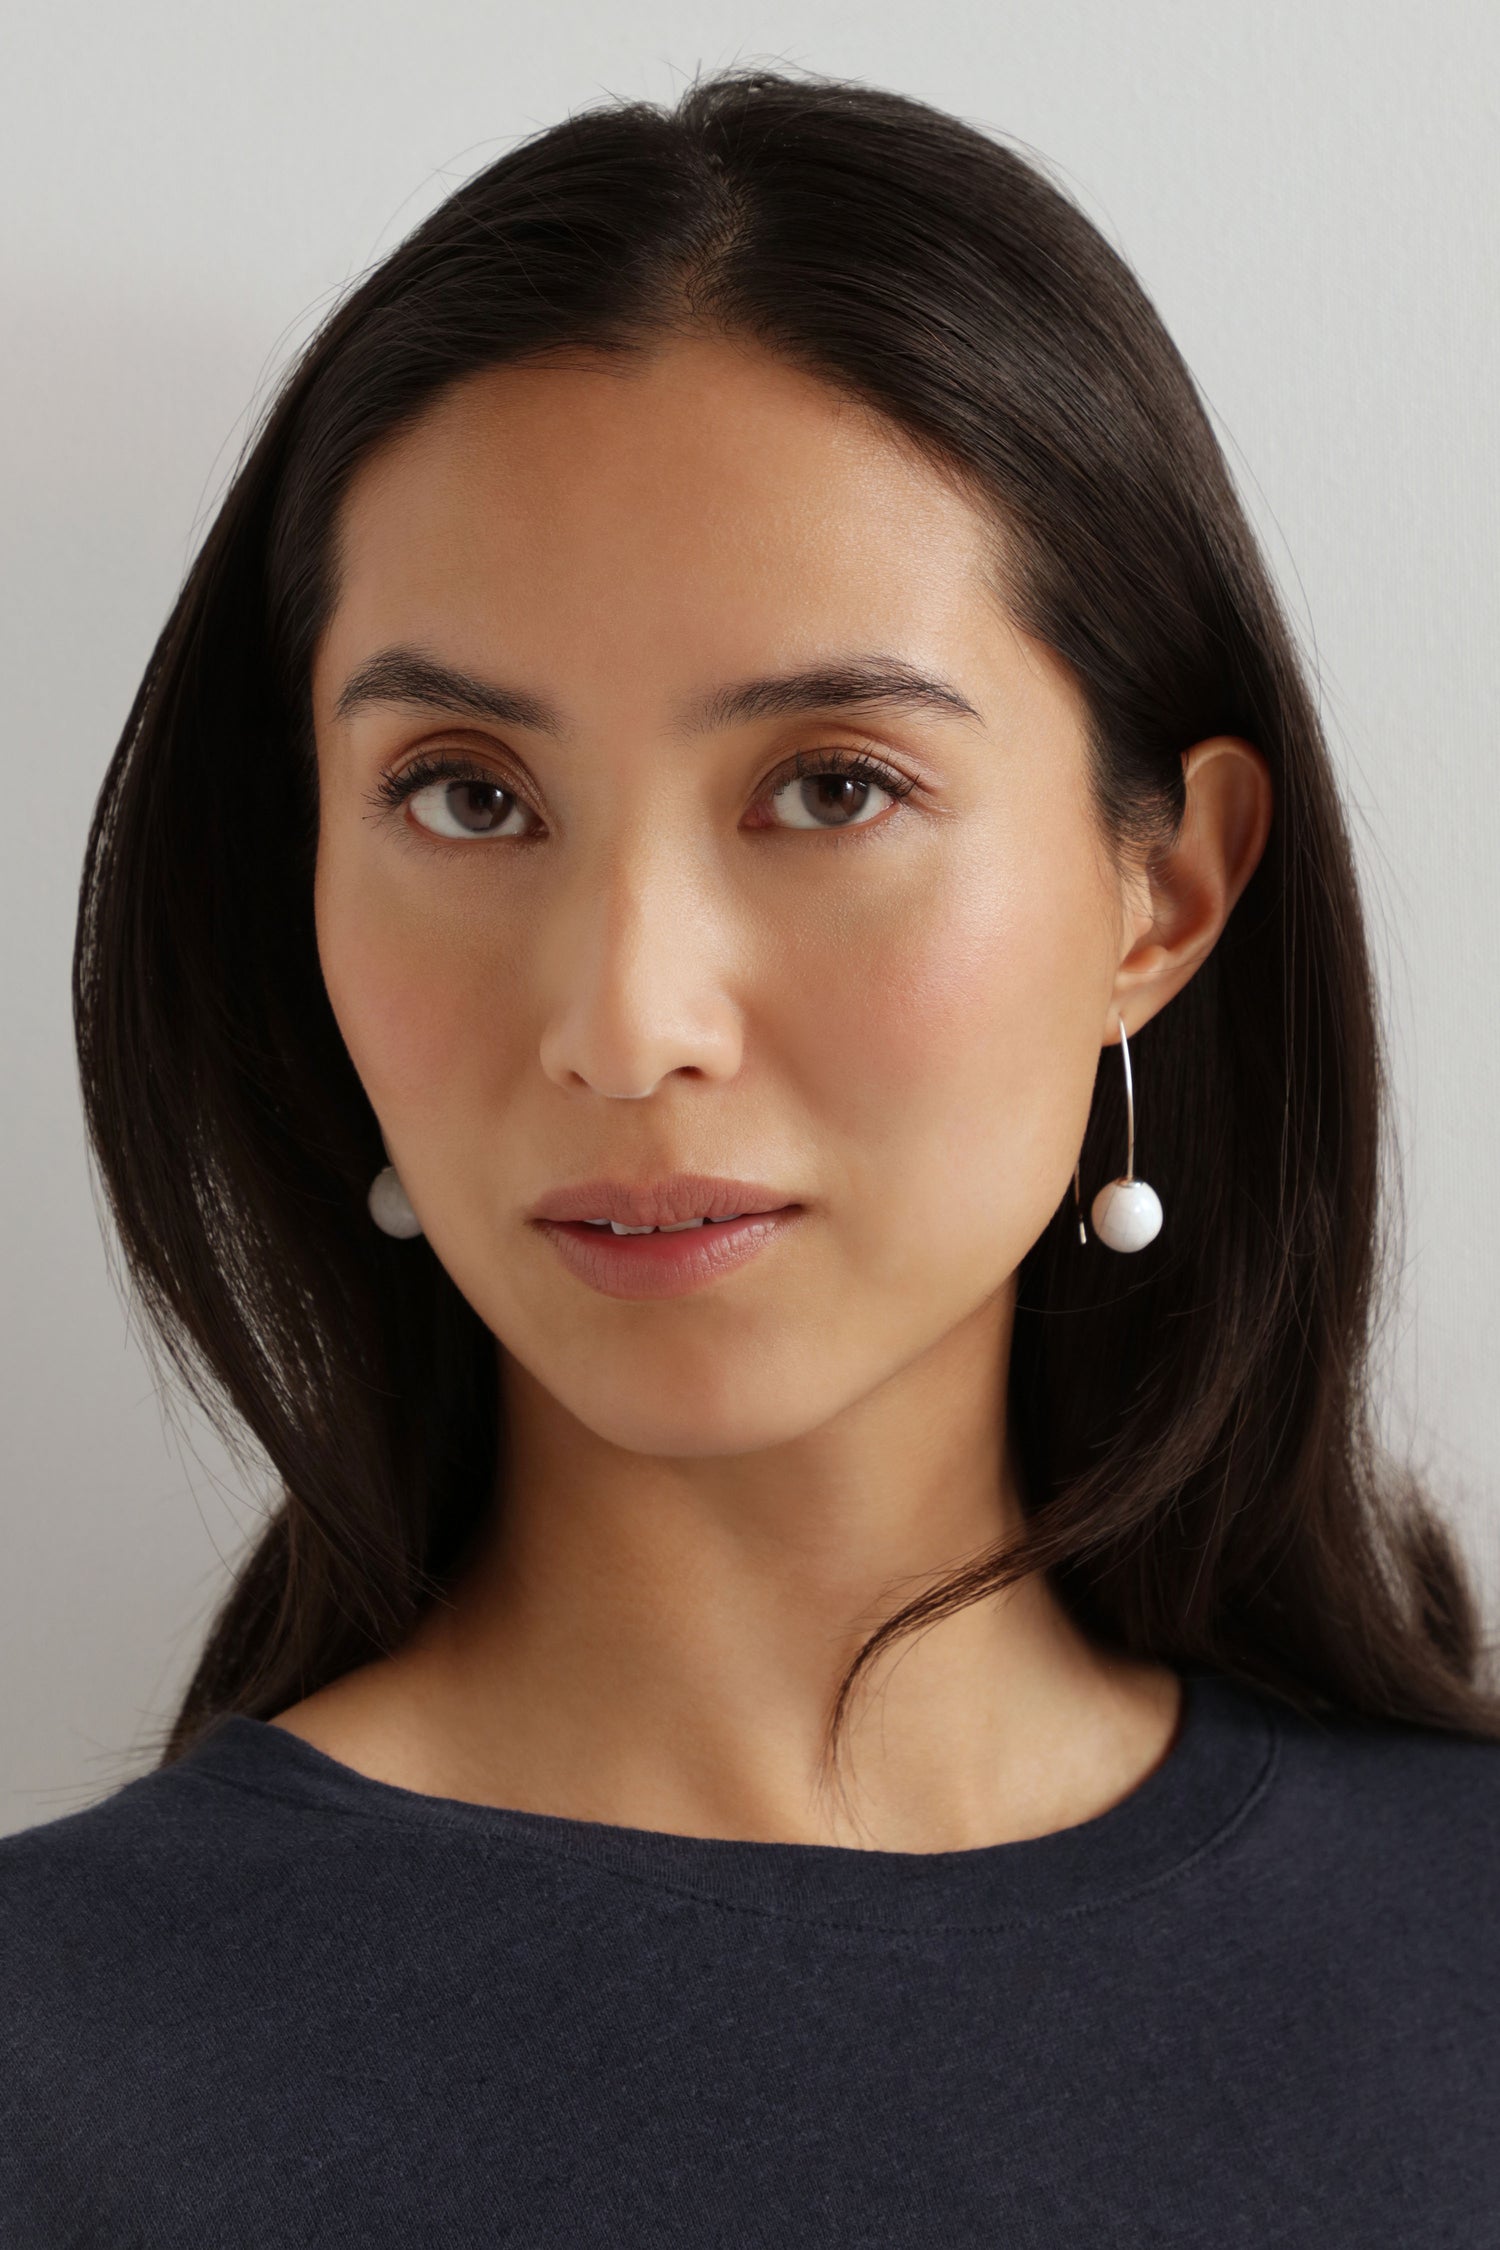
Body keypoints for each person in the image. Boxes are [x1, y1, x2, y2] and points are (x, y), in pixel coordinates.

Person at [4, 64, 1497, 2247]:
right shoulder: (54, 2066)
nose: (627, 1025)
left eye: (831, 786)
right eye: (466, 794)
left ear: (1162, 896)